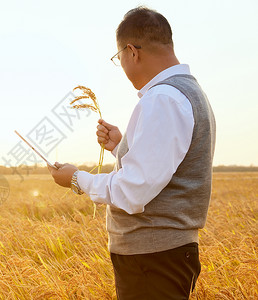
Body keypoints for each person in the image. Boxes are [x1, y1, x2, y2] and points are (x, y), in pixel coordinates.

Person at [48, 6, 216, 300]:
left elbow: (134, 190)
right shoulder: (185, 92)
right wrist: (122, 147)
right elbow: (163, 167)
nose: (122, 66)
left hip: (153, 258)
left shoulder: (163, 98)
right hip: (163, 256)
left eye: (118, 58)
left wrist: (76, 179)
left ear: (132, 52)